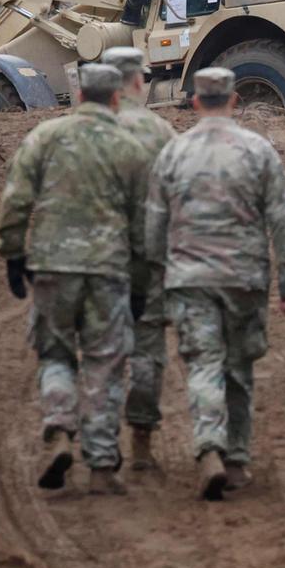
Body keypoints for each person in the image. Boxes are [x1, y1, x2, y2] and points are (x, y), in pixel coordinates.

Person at [146, 67, 285, 501]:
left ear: (195, 102)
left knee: (203, 365)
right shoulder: (258, 151)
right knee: (238, 368)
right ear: (234, 101)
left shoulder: (174, 152)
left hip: (190, 279)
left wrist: (157, 279)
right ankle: (235, 458)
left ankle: (208, 447)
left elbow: (154, 225)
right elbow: (282, 221)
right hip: (244, 278)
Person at [0, 63, 150, 496]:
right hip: (109, 269)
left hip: (53, 267)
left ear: (79, 95)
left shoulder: (45, 137)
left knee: (56, 354)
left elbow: (16, 200)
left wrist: (13, 254)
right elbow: (145, 224)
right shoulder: (131, 147)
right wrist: (140, 281)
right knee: (104, 363)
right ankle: (102, 465)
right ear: (117, 98)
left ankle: (59, 431)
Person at [99, 46, 179, 471]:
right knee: (147, 351)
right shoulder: (161, 132)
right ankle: (143, 443)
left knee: (103, 353)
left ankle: (101, 446)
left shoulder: (88, 129)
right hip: (150, 260)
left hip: (100, 261)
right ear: (136, 81)